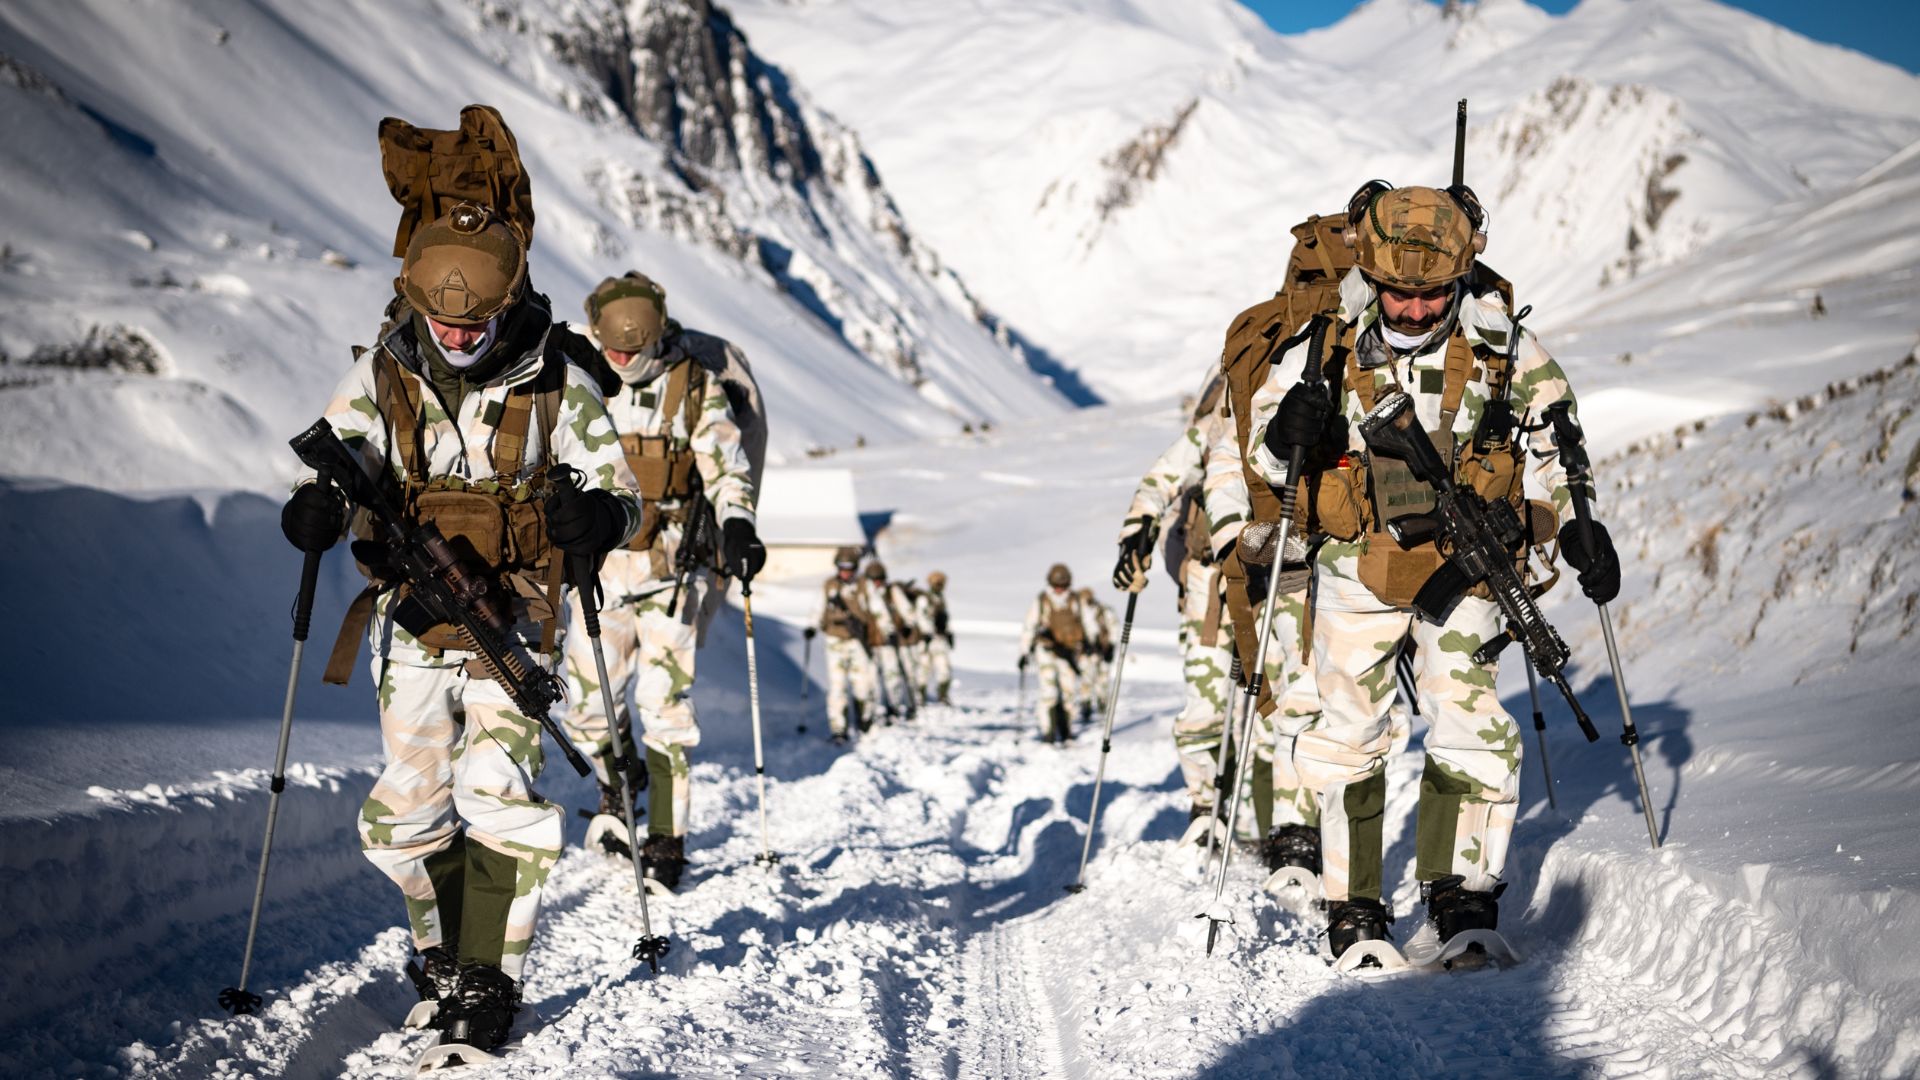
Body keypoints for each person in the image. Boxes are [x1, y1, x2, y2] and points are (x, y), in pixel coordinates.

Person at [281, 202, 641, 1050]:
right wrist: (318, 508)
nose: (455, 334)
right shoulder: (381, 372)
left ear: (505, 303)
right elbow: (344, 455)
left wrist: (597, 518)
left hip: (511, 619)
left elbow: (620, 492)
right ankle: (443, 958)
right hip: (408, 624)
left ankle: (490, 979)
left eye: (473, 320)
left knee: (499, 793)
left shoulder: (557, 381)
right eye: (440, 318)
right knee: (404, 813)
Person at [1247, 183, 1615, 962]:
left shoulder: (1504, 343)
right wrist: (1287, 432)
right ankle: (1354, 908)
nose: (1415, 311)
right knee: (1349, 732)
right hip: (1357, 569)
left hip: (1469, 570)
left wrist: (1576, 519)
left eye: (1433, 296)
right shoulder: (1324, 343)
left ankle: (1462, 898)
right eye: (1398, 296)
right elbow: (1263, 457)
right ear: (1372, 277)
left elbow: (1558, 439)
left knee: (1473, 722)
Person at [558, 271, 764, 892]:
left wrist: (738, 524)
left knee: (665, 707)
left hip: (673, 569)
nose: (622, 360)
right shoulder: (579, 382)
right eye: (613, 349)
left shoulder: (694, 385)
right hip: (596, 571)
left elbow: (728, 466)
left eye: (633, 351)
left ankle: (668, 836)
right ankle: (620, 785)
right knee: (589, 708)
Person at [810, 545, 880, 741]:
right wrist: (811, 626)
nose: (846, 572)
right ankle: (838, 728)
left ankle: (864, 719)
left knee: (862, 684)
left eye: (850, 568)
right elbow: (818, 608)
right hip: (834, 641)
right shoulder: (829, 586)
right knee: (837, 687)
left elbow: (877, 610)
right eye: (842, 567)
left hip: (858, 642)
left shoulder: (864, 587)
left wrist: (884, 632)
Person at [1018, 564, 1085, 743]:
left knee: (1069, 692)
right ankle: (1048, 731)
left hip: (1068, 653)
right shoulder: (1042, 601)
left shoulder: (1074, 600)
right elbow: (1029, 626)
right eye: (1056, 585)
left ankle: (1066, 730)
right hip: (1046, 651)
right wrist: (1024, 652)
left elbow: (1085, 626)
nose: (1059, 589)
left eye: (1063, 585)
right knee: (1049, 693)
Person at [863, 560, 922, 717]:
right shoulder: (863, 593)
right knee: (871, 679)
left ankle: (894, 706)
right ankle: (874, 710)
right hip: (869, 642)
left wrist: (907, 625)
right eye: (873, 579)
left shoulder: (892, 591)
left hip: (889, 642)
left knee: (892, 676)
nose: (876, 582)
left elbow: (908, 611)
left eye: (879, 578)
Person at [1074, 587, 1118, 722]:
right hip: (1086, 652)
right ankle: (1085, 706)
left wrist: (1111, 646)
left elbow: (1114, 628)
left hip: (1103, 650)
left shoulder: (1103, 611)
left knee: (1102, 679)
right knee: (1086, 680)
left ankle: (1102, 704)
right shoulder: (1077, 613)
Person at [918, 571, 955, 705]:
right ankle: (920, 696)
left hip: (940, 640)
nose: (939, 586)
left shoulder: (941, 599)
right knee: (923, 670)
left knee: (944, 669)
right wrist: (927, 632)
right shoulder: (924, 599)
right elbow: (921, 617)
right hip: (927, 640)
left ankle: (943, 695)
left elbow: (946, 619)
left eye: (941, 583)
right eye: (936, 583)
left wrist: (949, 633)